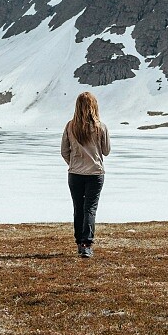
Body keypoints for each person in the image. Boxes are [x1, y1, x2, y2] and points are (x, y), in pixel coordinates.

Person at [60, 91, 111, 258]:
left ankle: (79, 243)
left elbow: (64, 151)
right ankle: (87, 243)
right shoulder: (100, 127)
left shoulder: (70, 126)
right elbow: (106, 151)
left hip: (75, 174)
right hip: (95, 173)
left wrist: (74, 163)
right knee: (90, 208)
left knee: (78, 208)